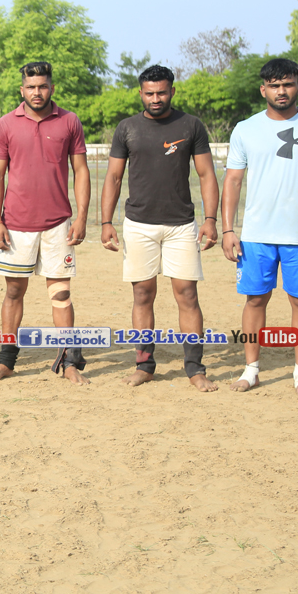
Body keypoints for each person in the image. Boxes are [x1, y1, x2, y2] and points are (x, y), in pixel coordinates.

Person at [221, 58, 298, 396]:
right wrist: (228, 229)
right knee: (255, 300)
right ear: (263, 90)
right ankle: (251, 369)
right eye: (274, 86)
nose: (281, 91)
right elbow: (233, 181)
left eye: (287, 84)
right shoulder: (245, 129)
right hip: (256, 235)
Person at [99, 65, 219, 391]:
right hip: (138, 225)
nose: (156, 99)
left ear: (172, 92)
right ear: (140, 93)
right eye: (150, 93)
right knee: (142, 294)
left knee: (187, 294)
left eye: (162, 92)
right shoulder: (127, 128)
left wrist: (210, 219)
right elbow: (113, 177)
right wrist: (106, 222)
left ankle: (195, 369)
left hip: (181, 225)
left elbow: (206, 174)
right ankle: (144, 365)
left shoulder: (191, 125)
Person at [0, 61, 90, 384]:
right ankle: (6, 362)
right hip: (16, 224)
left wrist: (81, 217)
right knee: (14, 291)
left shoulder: (69, 121)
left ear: (51, 88)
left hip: (58, 224)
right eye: (31, 87)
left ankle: (69, 362)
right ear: (22, 90)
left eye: (42, 86)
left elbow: (81, 171)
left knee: (60, 294)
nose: (37, 92)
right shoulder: (6, 124)